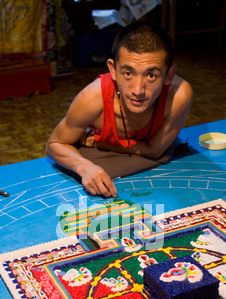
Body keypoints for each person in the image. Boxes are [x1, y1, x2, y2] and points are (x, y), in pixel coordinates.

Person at [46, 21, 193, 198]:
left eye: (151, 75)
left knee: (163, 155)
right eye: (128, 73)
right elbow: (54, 144)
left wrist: (104, 142)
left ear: (169, 75)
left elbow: (155, 151)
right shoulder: (93, 97)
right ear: (113, 70)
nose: (138, 90)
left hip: (143, 155)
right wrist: (84, 167)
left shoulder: (179, 95)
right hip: (114, 157)